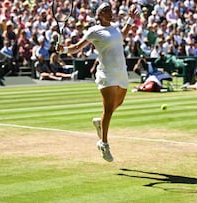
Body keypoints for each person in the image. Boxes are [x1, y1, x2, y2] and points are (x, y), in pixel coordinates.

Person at [57, 2, 138, 162]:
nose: (110, 13)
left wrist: (130, 20)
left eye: (110, 10)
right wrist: (64, 50)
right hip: (106, 74)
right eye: (106, 11)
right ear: (99, 15)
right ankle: (104, 143)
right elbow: (77, 47)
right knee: (108, 110)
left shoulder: (114, 28)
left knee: (118, 103)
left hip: (121, 72)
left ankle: (100, 122)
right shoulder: (94, 31)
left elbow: (122, 36)